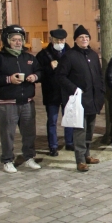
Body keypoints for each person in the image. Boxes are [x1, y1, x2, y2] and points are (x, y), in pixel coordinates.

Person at [0, 25, 43, 173]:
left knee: (29, 133)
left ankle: (29, 157)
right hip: (7, 103)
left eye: (20, 40)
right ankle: (7, 160)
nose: (18, 43)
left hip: (27, 102)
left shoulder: (29, 58)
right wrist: (9, 79)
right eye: (14, 40)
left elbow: (40, 71)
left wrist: (35, 76)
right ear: (7, 41)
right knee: (7, 133)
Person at [55, 25, 103, 172]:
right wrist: (74, 89)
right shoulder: (69, 56)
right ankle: (80, 160)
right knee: (80, 131)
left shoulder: (93, 55)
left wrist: (101, 91)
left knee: (90, 130)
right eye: (81, 37)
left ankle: (87, 154)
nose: (84, 39)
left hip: (93, 99)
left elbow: (99, 75)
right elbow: (60, 76)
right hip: (78, 100)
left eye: (87, 37)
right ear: (75, 40)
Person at [36, 28, 74, 157]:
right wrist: (49, 67)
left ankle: (70, 142)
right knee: (52, 120)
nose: (60, 42)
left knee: (68, 118)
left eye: (62, 40)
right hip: (51, 92)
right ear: (51, 40)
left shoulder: (70, 52)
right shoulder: (43, 54)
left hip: (67, 92)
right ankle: (53, 145)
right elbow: (38, 72)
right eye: (57, 40)